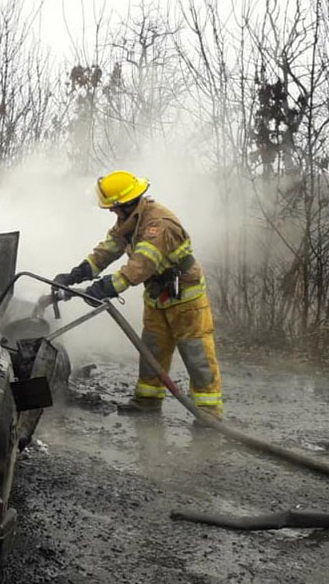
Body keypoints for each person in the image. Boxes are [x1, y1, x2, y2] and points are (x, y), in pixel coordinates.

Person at [54, 170, 224, 419]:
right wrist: (75, 275)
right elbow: (107, 251)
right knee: (152, 350)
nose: (112, 212)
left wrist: (106, 287)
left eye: (113, 208)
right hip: (157, 295)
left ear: (126, 204)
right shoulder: (130, 222)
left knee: (196, 353)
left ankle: (209, 411)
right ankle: (147, 402)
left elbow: (140, 266)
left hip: (185, 298)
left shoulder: (158, 224)